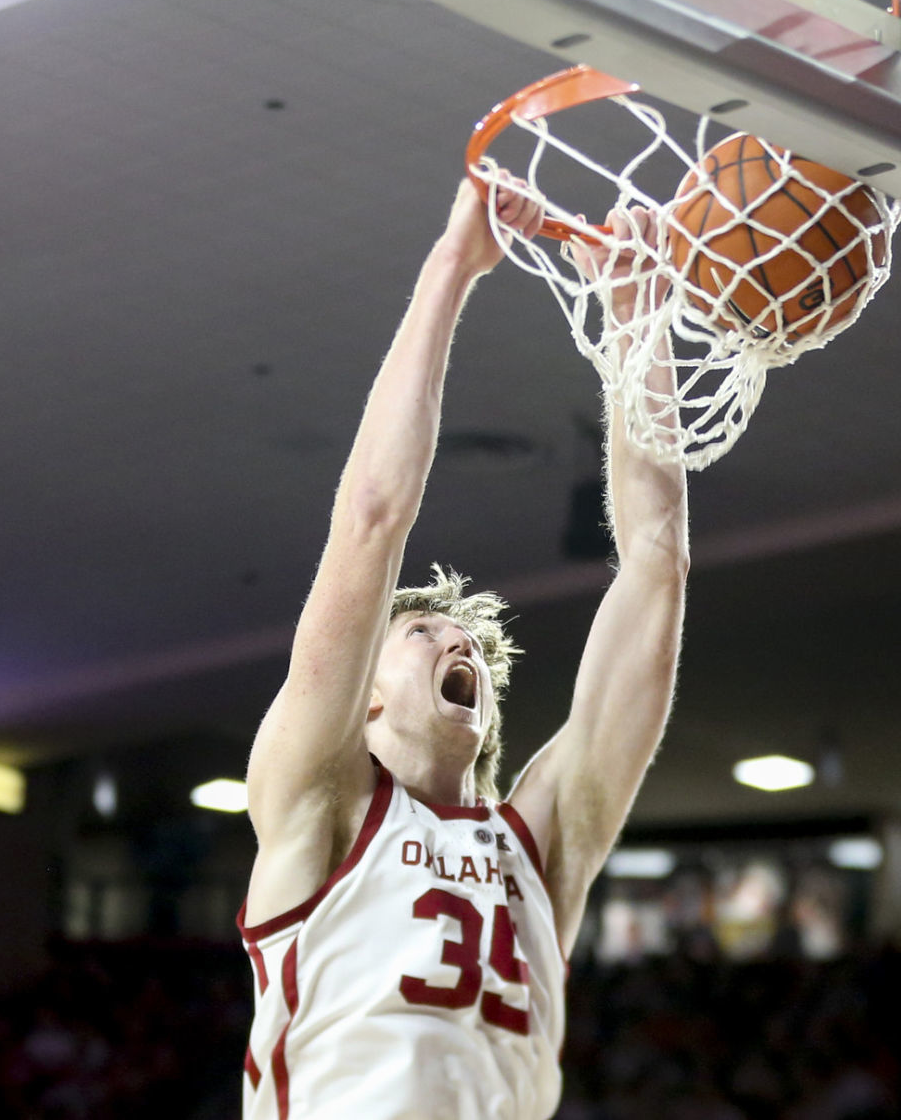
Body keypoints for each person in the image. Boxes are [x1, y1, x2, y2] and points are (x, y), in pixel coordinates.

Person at [239, 173, 690, 1119]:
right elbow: (369, 517)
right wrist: (454, 266)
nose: (459, 641)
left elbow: (656, 564)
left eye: (469, 642)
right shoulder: (319, 801)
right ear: (363, 693)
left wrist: (637, 333)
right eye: (422, 631)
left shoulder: (545, 838)